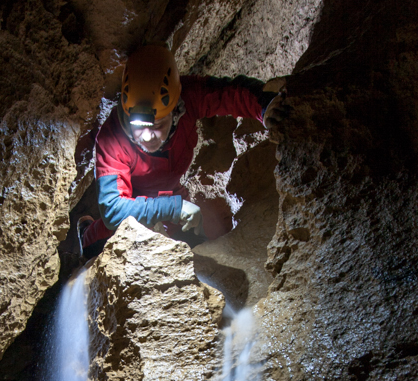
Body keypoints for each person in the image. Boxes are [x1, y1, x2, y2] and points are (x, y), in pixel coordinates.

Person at [80, 44, 286, 257]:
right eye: (139, 127)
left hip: (169, 191)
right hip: (133, 201)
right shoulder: (112, 138)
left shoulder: (188, 98)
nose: (147, 136)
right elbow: (114, 211)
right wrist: (174, 208)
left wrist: (265, 105)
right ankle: (85, 233)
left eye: (158, 125)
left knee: (194, 245)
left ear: (176, 110)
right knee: (103, 246)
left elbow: (230, 93)